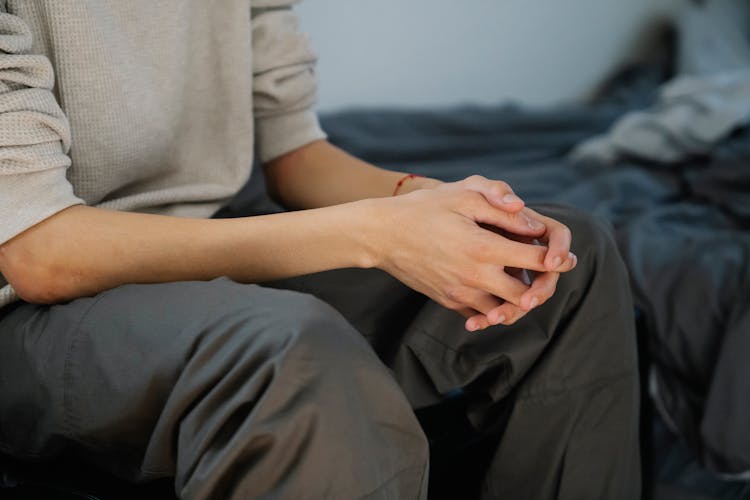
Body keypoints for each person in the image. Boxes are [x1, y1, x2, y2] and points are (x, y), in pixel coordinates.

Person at [0, 1, 641, 498]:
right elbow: (41, 252)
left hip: (215, 235)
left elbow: (296, 155)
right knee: (292, 350)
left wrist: (444, 207)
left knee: (558, 259)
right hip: (34, 309)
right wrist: (376, 233)